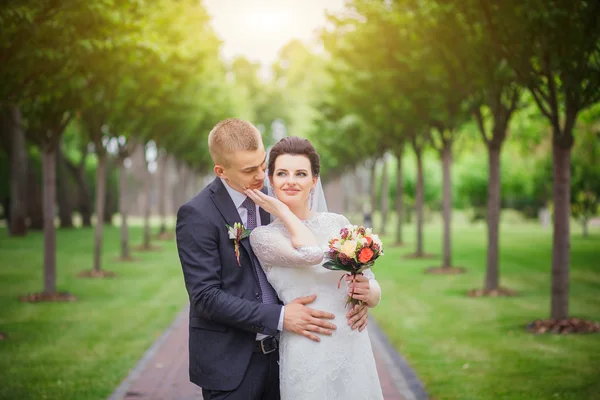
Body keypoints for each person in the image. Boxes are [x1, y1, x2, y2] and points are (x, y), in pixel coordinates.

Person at [175, 119, 377, 400]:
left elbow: (319, 259)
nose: (261, 176)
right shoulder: (197, 214)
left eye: (262, 164)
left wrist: (358, 299)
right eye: (249, 170)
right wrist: (281, 317)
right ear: (221, 171)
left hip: (289, 354)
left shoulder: (280, 197)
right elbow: (206, 297)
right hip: (231, 363)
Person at [247, 136, 384, 400]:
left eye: (301, 173)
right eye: (282, 173)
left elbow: (373, 284)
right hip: (307, 347)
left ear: (313, 180)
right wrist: (285, 213)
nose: (291, 181)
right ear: (271, 180)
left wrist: (368, 297)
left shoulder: (338, 223)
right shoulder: (263, 237)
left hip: (352, 343)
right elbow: (309, 253)